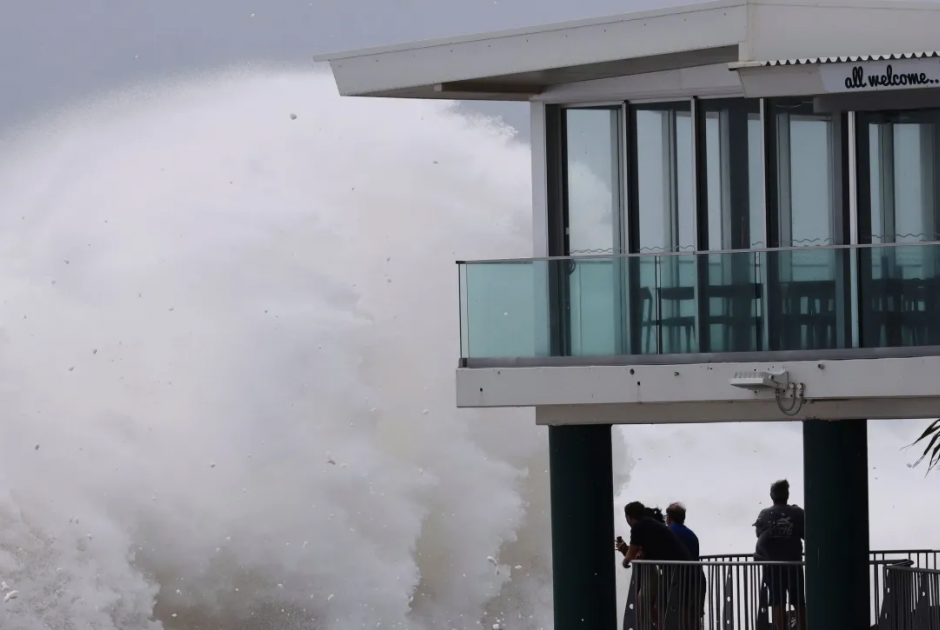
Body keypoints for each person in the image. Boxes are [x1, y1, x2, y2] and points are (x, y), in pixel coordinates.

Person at [617, 501, 691, 629]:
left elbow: (631, 555)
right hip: (683, 570)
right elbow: (643, 554)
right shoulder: (650, 524)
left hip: (675, 571)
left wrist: (625, 559)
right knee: (665, 609)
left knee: (646, 605)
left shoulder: (639, 527)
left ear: (629, 517)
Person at [754, 479, 806, 630]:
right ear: (787, 495)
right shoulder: (797, 513)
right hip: (794, 564)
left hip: (773, 565)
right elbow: (806, 534)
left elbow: (759, 534)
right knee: (798, 600)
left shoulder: (765, 514)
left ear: (772, 495)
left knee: (778, 600)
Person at [666, 502, 706, 629]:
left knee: (678, 612)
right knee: (693, 615)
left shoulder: (668, 532)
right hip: (697, 577)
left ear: (669, 518)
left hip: (679, 579)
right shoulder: (691, 534)